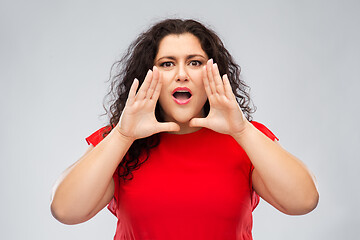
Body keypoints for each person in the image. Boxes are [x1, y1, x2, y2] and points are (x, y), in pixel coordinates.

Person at [50, 19, 319, 239]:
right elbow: (65, 210)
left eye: (195, 62)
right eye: (167, 64)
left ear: (213, 73)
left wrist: (242, 131)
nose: (182, 74)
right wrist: (122, 136)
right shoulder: (119, 139)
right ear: (148, 75)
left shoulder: (246, 137)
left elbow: (303, 201)